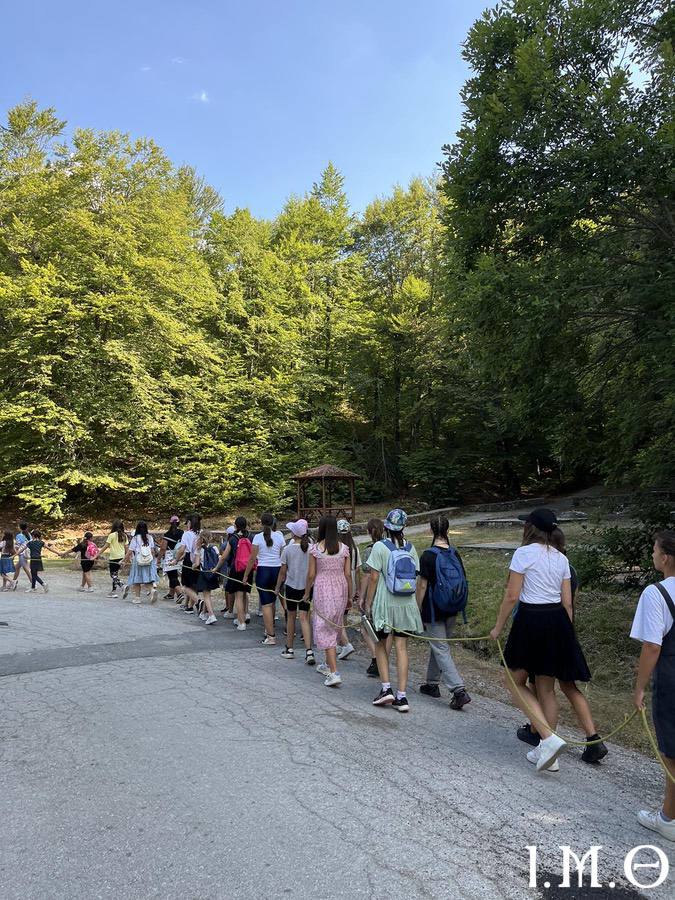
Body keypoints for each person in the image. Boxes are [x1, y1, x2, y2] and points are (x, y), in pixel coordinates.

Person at [489, 508, 591, 773]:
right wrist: (567, 635)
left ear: (530, 528)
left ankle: (547, 737)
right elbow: (567, 603)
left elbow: (512, 596)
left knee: (513, 679)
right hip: (557, 620)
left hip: (531, 620)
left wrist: (497, 628)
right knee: (546, 688)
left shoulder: (522, 554)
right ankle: (549, 753)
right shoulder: (561, 558)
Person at [516, 527, 607, 764]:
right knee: (568, 687)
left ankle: (541, 735)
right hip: (564, 633)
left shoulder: (544, 563)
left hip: (544, 633)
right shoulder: (567, 567)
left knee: (541, 686)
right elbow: (569, 605)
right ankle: (593, 738)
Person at [631, 529, 675, 843]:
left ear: (666, 557)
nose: (652, 554)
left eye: (654, 550)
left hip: (671, 678)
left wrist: (639, 688)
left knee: (671, 751)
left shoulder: (656, 593)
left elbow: (652, 646)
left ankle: (668, 819)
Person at [363, 508, 422, 712]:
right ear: (404, 527)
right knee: (402, 648)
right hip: (406, 604)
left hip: (385, 604)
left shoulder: (380, 547)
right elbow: (416, 575)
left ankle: (386, 688)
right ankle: (402, 696)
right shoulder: (411, 548)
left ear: (387, 526)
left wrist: (367, 603)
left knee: (380, 644)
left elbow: (373, 577)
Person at [417, 515, 472, 710]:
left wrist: (417, 608)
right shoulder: (455, 554)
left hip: (433, 610)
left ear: (431, 530)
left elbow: (422, 586)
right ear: (448, 530)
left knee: (441, 648)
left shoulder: (428, 555)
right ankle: (432, 684)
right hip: (453, 607)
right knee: (439, 646)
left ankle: (458, 690)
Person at [303, 515, 351, 687]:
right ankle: (327, 663)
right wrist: (350, 595)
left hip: (323, 589)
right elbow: (347, 574)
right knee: (334, 626)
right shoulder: (344, 548)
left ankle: (334, 672)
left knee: (325, 628)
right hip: (340, 589)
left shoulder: (315, 549)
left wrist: (307, 592)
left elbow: (311, 575)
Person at [276, 519, 314, 664]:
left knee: (291, 617)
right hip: (307, 587)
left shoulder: (288, 550)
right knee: (304, 617)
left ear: (294, 534)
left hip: (291, 586)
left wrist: (277, 587)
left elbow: (282, 572)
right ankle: (309, 651)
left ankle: (289, 648)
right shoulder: (312, 549)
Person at [243, 512, 285, 645]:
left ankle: (270, 635)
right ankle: (269, 629)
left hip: (263, 571)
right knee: (272, 602)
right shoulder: (279, 537)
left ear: (261, 523)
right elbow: (282, 555)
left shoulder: (257, 538)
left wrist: (246, 575)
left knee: (266, 604)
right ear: (273, 523)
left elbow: (252, 559)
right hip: (277, 570)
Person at [358, 518, 387, 677]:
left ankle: (377, 657)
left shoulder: (370, 550)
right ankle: (381, 658)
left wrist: (362, 598)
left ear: (368, 532)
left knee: (366, 628)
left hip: (374, 593)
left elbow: (368, 576)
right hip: (388, 592)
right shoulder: (389, 546)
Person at [336, 519, 361, 661]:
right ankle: (341, 641)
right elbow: (358, 571)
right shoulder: (354, 549)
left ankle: (343, 643)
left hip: (340, 582)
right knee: (343, 614)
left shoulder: (338, 548)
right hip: (351, 583)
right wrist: (357, 589)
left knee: (338, 615)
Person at [226, 516, 253, 630]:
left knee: (238, 595)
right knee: (245, 592)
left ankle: (241, 622)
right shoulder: (251, 536)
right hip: (249, 568)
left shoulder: (232, 538)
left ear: (235, 526)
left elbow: (225, 556)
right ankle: (245, 614)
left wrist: (217, 567)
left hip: (236, 569)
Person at [122, 521, 158, 604]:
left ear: (137, 528)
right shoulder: (150, 537)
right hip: (148, 560)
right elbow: (152, 551)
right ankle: (152, 590)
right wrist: (152, 561)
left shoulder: (135, 538)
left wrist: (124, 560)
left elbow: (130, 551)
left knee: (137, 579)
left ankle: (137, 598)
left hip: (138, 560)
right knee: (147, 579)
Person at [174, 514, 201, 613]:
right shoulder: (200, 533)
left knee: (185, 586)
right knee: (193, 584)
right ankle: (189, 606)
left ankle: (198, 601)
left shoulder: (187, 534)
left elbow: (182, 549)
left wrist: (176, 559)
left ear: (190, 523)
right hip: (198, 560)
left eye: (187, 523)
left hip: (189, 561)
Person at [96, 520, 128, 598]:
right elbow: (127, 548)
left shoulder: (112, 535)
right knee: (115, 574)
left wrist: (96, 555)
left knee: (112, 575)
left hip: (114, 558)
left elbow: (105, 546)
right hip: (121, 557)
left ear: (113, 527)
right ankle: (113, 591)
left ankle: (122, 585)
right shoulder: (125, 535)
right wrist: (126, 559)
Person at [194, 530, 220, 625]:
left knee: (206, 596)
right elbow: (219, 560)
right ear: (210, 537)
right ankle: (203, 613)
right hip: (213, 572)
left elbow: (196, 564)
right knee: (208, 594)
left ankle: (211, 615)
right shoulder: (215, 548)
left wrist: (193, 567)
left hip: (204, 573)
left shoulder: (199, 549)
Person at [160, 516, 184, 602]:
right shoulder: (182, 532)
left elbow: (163, 548)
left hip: (170, 556)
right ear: (179, 523)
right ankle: (171, 594)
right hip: (180, 556)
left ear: (170, 523)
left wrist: (159, 558)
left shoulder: (168, 534)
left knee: (172, 576)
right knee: (173, 574)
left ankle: (180, 593)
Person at [216, 525, 237, 617]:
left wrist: (216, 568)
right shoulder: (240, 540)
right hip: (238, 567)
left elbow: (222, 555)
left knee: (227, 588)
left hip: (227, 567)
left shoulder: (226, 544)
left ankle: (228, 606)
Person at [12, 522, 32, 590]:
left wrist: (15, 552)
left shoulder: (19, 535)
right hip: (27, 553)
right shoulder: (29, 534)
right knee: (17, 567)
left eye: (18, 526)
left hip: (22, 554)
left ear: (20, 527)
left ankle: (33, 584)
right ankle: (13, 582)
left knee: (26, 569)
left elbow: (17, 546)